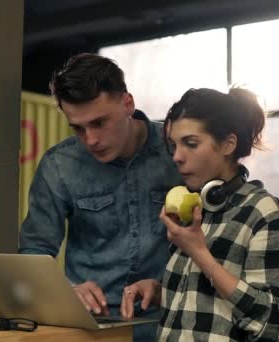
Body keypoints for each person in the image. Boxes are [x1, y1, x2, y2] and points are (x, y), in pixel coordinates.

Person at [120, 87, 279, 341]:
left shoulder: (265, 214)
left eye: (190, 143)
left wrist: (200, 254)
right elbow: (211, 306)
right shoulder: (197, 209)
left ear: (227, 144)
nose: (177, 157)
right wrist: (159, 292)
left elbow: (278, 325)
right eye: (173, 145)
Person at [18, 53, 182, 341]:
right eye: (78, 128)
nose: (90, 139)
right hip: (92, 330)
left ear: (128, 103)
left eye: (99, 123)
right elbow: (34, 253)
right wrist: (64, 291)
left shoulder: (178, 153)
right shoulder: (59, 166)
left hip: (173, 323)